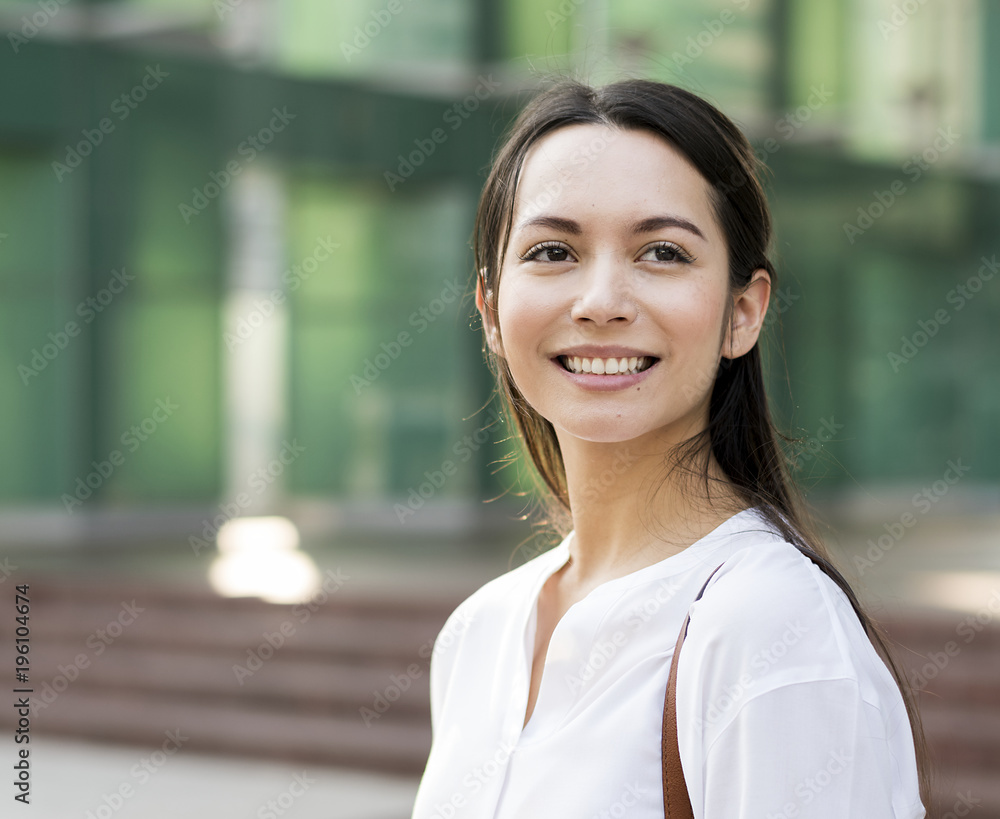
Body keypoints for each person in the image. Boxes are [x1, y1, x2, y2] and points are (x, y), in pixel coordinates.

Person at [410, 76, 929, 818]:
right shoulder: (479, 632)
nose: (601, 301)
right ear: (490, 310)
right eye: (554, 250)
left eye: (661, 252)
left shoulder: (771, 627)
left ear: (742, 313)